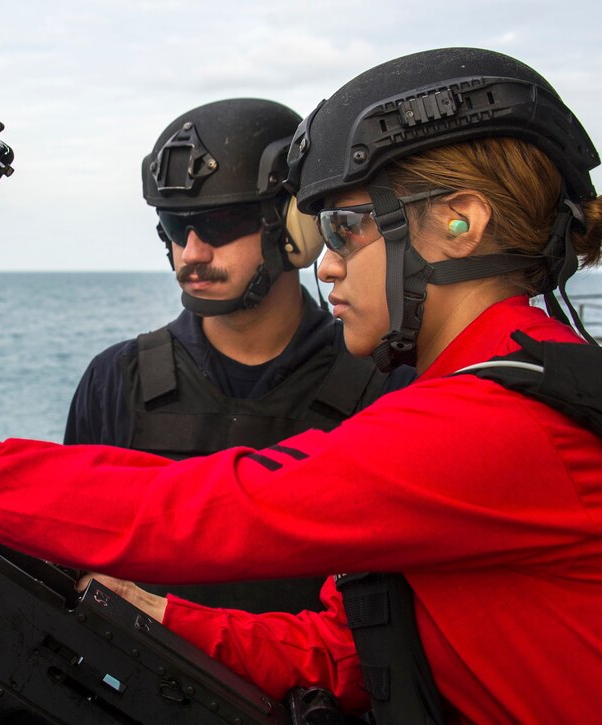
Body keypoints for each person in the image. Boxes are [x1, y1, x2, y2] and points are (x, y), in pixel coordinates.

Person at [0, 47, 602, 723]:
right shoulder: (487, 394)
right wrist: (164, 615)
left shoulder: (498, 421)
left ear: (459, 222)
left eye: (345, 230)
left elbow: (209, 507)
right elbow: (345, 648)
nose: (325, 263)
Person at [64, 98, 413, 614]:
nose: (192, 254)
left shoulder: (389, 387)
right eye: (176, 228)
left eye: (221, 224)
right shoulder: (117, 380)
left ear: (295, 229)